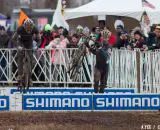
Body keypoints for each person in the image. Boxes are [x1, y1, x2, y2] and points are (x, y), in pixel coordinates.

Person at [12, 18, 40, 88]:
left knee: (31, 62)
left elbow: (39, 39)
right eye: (27, 27)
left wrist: (37, 46)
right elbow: (13, 39)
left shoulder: (35, 28)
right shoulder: (20, 28)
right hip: (21, 44)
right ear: (24, 26)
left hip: (29, 45)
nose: (28, 29)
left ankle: (29, 78)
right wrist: (18, 46)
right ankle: (19, 78)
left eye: (29, 27)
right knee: (20, 61)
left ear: (32, 26)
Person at [85, 29, 112, 93]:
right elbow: (95, 52)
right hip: (98, 65)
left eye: (106, 38)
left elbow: (106, 56)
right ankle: (95, 94)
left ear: (108, 38)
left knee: (103, 83)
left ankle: (101, 95)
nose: (104, 39)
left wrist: (100, 48)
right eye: (103, 37)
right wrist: (89, 47)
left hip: (105, 66)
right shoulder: (100, 44)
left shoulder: (109, 46)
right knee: (96, 80)